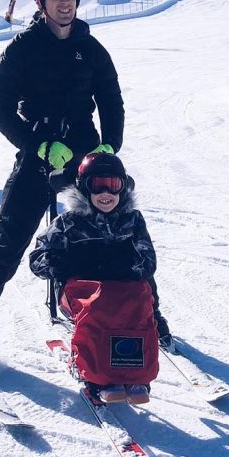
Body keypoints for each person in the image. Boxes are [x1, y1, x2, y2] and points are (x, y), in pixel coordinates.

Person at [0, 0, 171, 372]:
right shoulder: (22, 49)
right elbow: (0, 108)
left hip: (85, 154)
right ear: (39, 0)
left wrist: (108, 148)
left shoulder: (90, 48)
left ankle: (148, 315)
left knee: (118, 231)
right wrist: (38, 144)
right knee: (9, 243)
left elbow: (111, 100)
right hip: (39, 155)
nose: (65, 3)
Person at [30, 151, 158, 404]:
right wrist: (59, 263)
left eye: (113, 185)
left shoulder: (132, 220)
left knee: (141, 303)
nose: (106, 194)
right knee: (98, 308)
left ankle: (137, 375)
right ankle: (95, 375)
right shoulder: (68, 222)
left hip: (121, 287)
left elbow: (149, 260)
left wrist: (130, 268)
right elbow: (37, 259)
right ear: (84, 188)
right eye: (97, 186)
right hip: (79, 291)